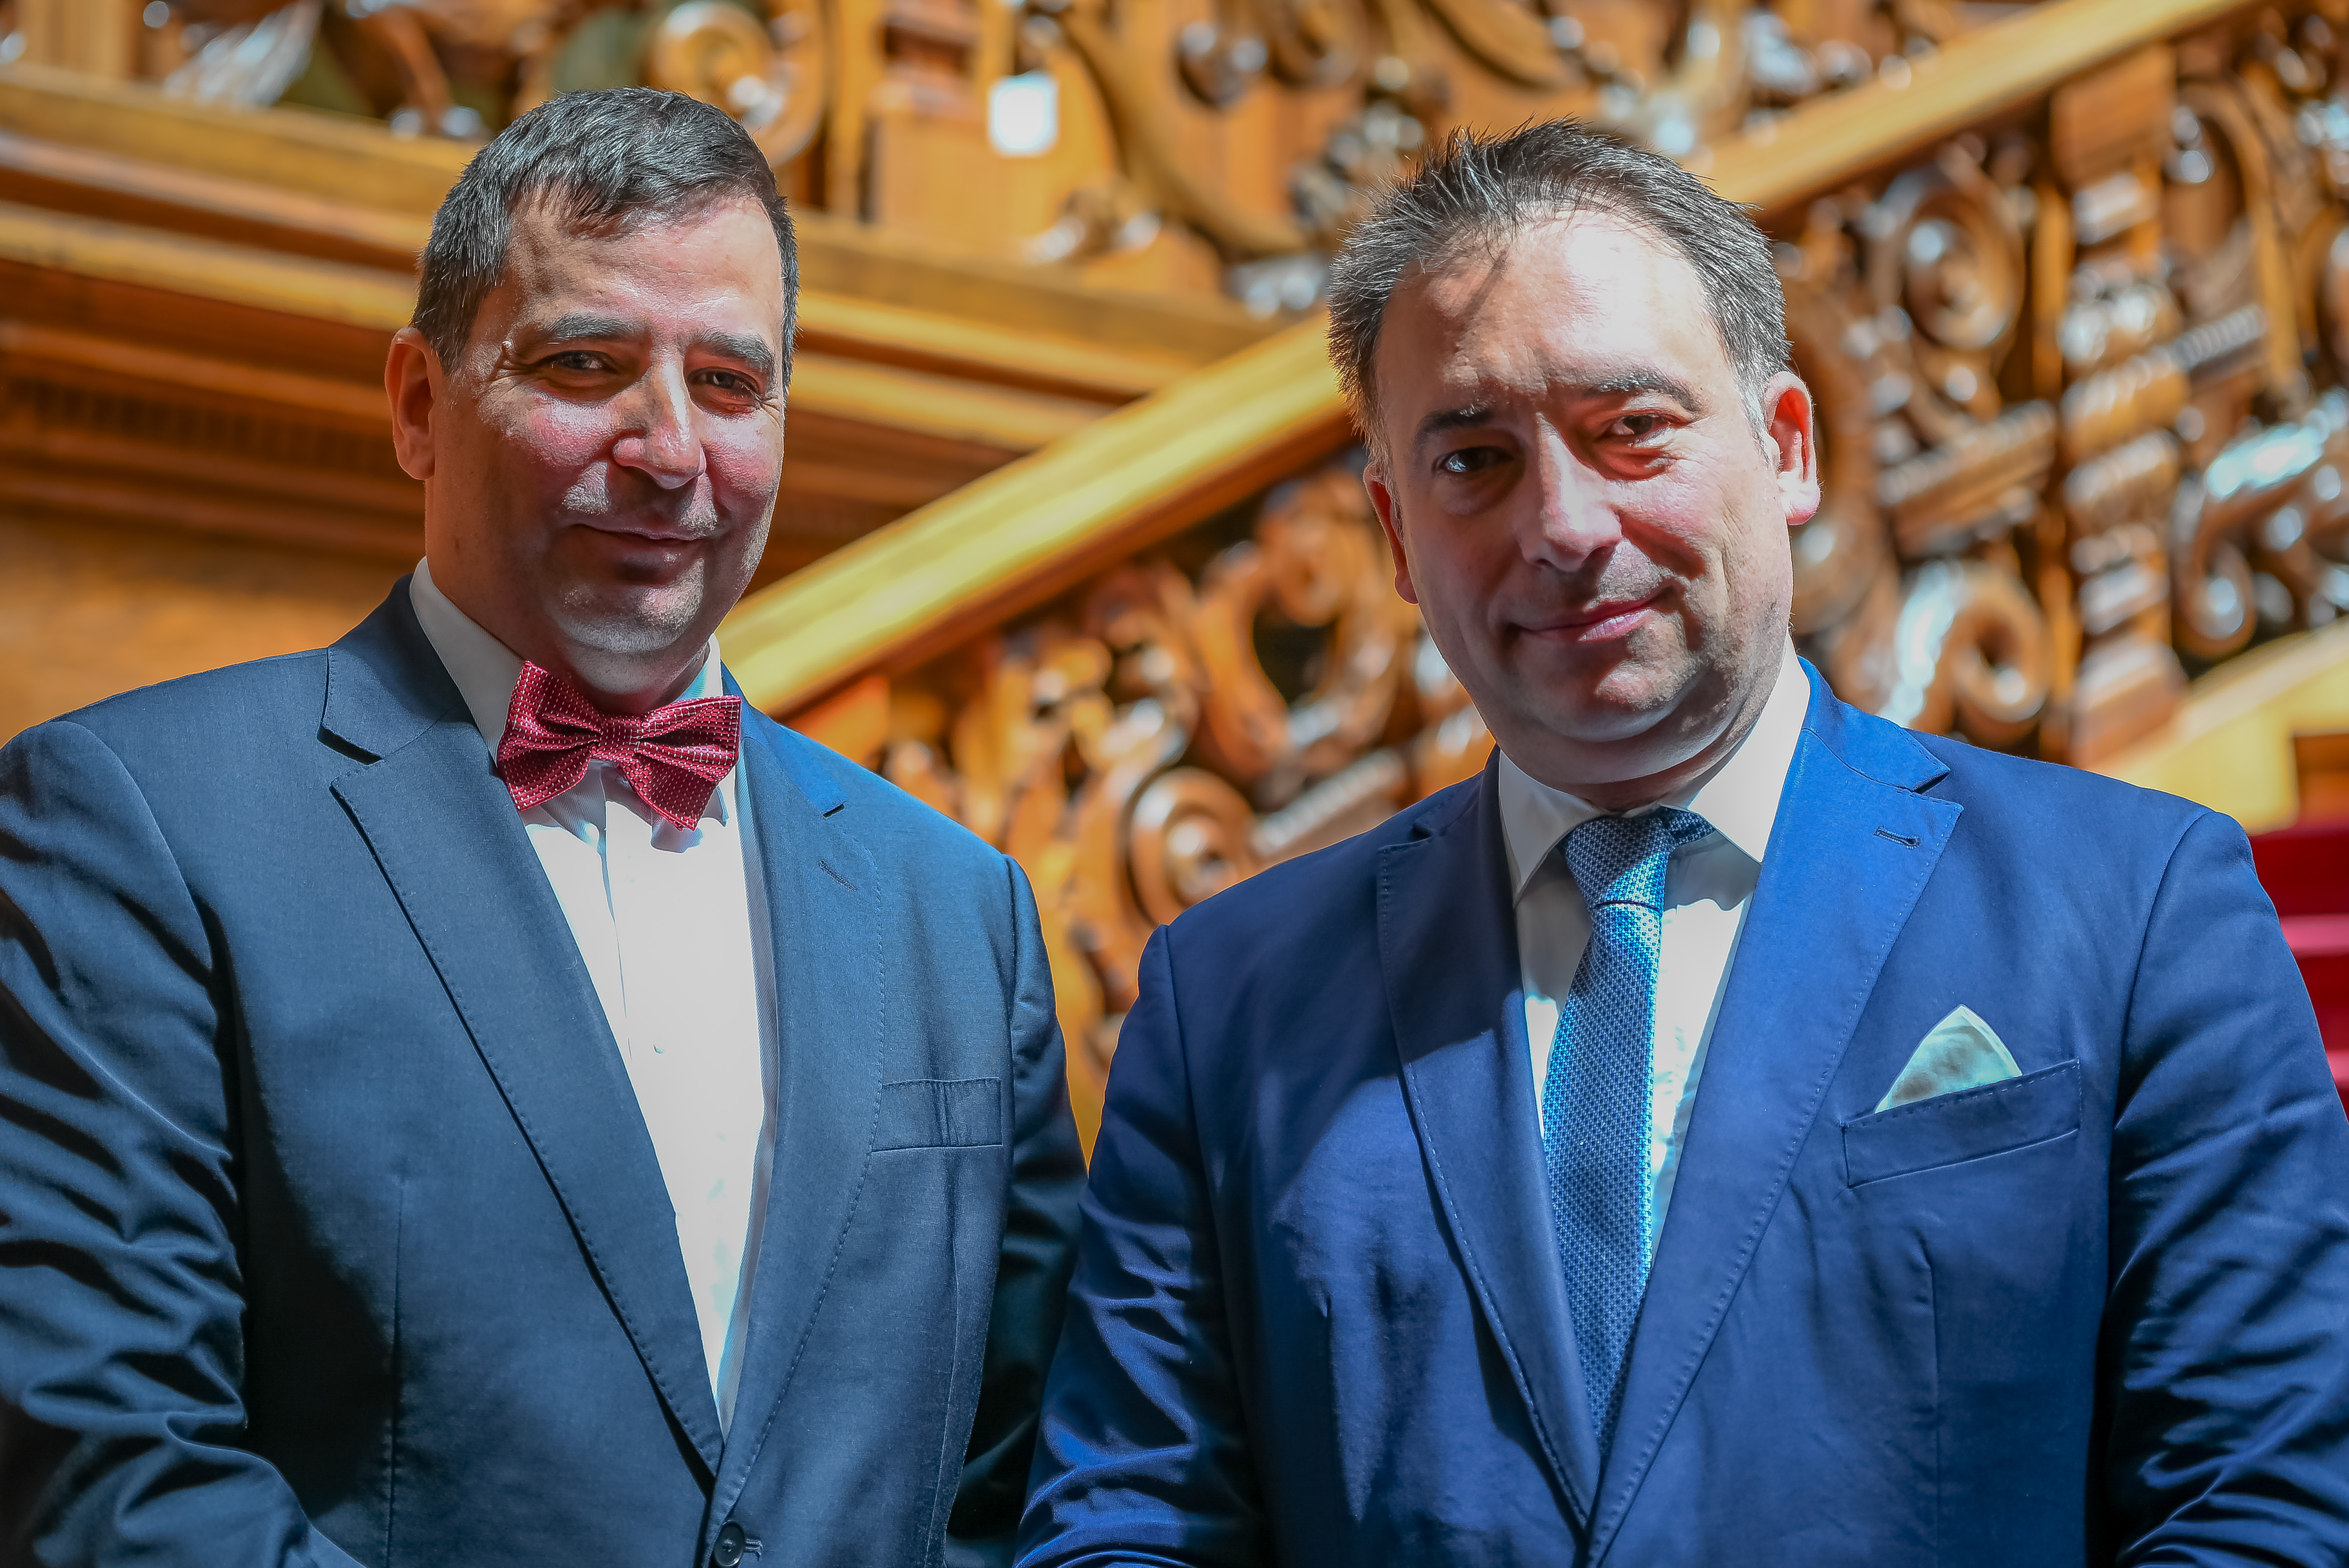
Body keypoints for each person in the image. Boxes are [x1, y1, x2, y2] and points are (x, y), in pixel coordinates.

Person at [1017, 122, 2349, 1566]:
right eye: (1474, 460)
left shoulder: (2137, 906)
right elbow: (1128, 1523)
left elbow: (2259, 1503)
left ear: (1785, 447)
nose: (1562, 525)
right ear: (1395, 535)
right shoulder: (1228, 1003)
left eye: (1631, 428)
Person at [0, 89, 1082, 1568]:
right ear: (417, 405)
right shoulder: (136, 822)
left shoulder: (959, 909)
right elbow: (110, 1465)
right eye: (586, 363)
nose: (669, 449)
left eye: (729, 381)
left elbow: (1016, 1476)